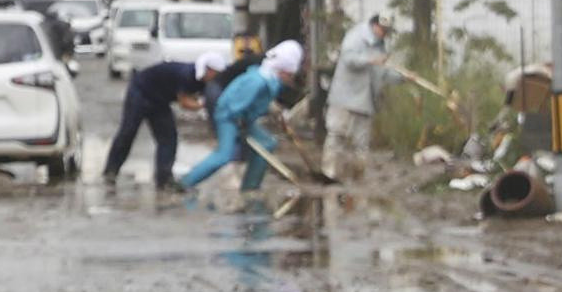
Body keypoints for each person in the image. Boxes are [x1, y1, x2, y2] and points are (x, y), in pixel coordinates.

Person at [180, 39, 306, 199]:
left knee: (268, 143)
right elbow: (234, 105)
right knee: (224, 155)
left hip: (243, 118)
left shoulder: (270, 79)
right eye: (290, 74)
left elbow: (259, 102)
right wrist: (239, 124)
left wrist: (274, 112)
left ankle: (251, 187)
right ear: (284, 70)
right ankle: (185, 182)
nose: (291, 78)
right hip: (228, 118)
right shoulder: (258, 81)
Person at [104, 48, 216, 188]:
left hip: (160, 100)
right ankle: (111, 171)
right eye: (215, 73)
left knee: (168, 138)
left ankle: (163, 178)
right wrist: (203, 105)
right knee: (128, 132)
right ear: (208, 69)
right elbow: (184, 103)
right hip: (140, 91)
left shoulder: (205, 81)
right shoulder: (188, 74)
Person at [326, 17, 390, 164]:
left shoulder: (380, 46)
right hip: (345, 97)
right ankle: (330, 170)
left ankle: (358, 174)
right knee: (336, 135)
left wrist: (404, 77)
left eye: (386, 31)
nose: (383, 33)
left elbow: (383, 72)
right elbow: (349, 59)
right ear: (374, 25)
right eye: (382, 29)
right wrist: (370, 60)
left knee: (362, 143)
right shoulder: (355, 36)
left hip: (365, 100)